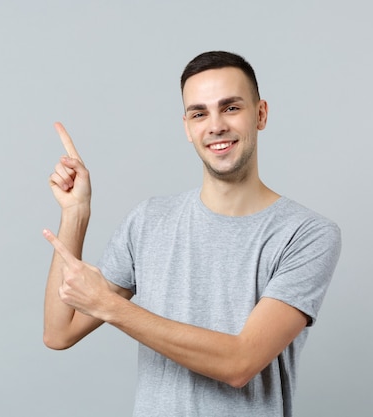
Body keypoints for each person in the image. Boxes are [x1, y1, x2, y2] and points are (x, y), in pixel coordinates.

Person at [42, 51, 341, 416]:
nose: (215, 126)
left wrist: (109, 306)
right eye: (200, 113)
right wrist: (76, 214)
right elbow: (60, 332)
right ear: (187, 127)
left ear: (260, 114)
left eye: (231, 108)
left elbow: (240, 362)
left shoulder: (306, 234)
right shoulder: (149, 221)